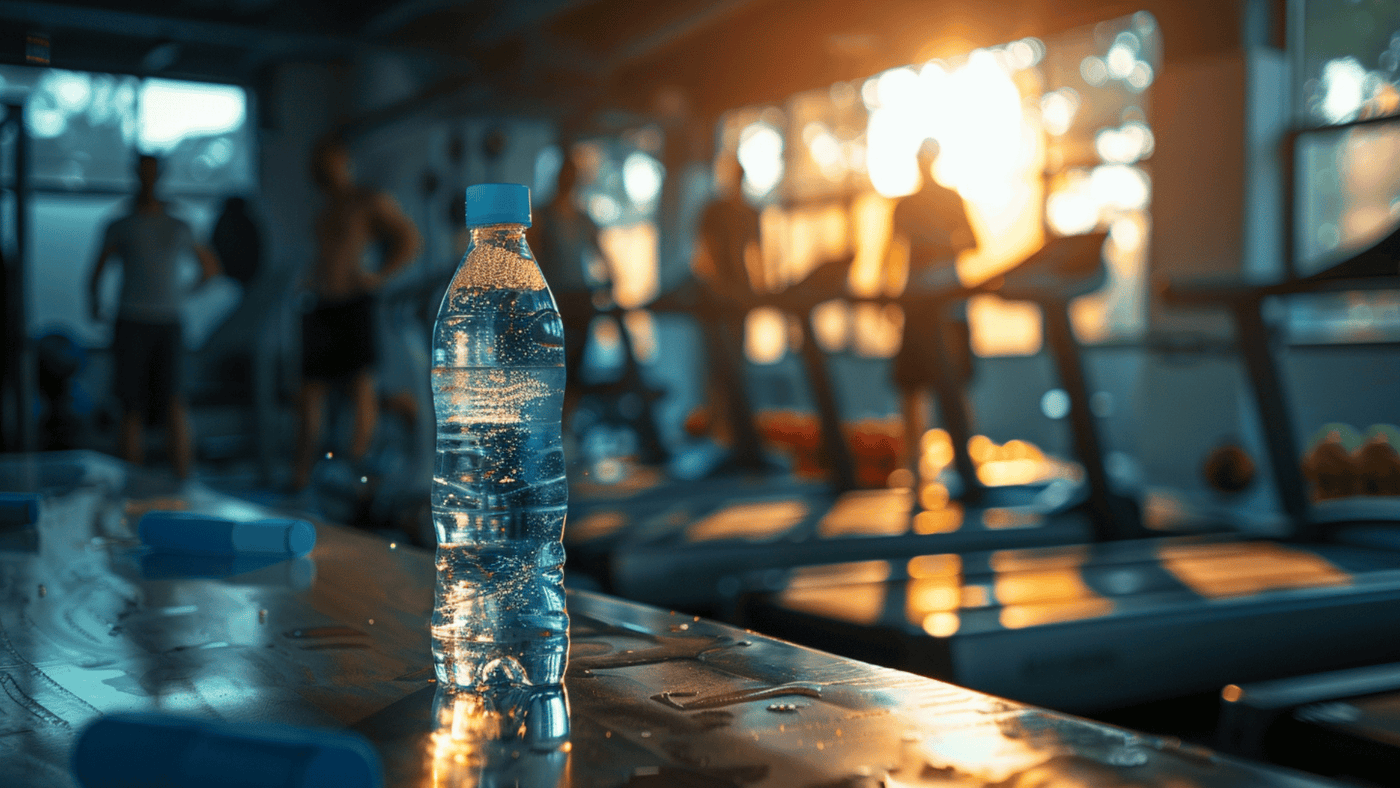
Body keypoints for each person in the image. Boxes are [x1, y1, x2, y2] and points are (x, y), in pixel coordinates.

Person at [292, 136, 421, 490]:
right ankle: (301, 474)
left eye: (330, 162)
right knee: (310, 391)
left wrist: (379, 275)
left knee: (360, 385)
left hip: (354, 302)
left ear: (343, 161)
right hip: (320, 304)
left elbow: (410, 239)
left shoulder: (367, 201)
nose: (325, 171)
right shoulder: (323, 211)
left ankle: (355, 467)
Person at [88, 154, 222, 478]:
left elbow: (211, 268)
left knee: (175, 402)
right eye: (142, 172)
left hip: (168, 323)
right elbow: (96, 272)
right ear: (135, 174)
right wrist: (93, 304)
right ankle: (131, 485)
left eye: (152, 172)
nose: (147, 178)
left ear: (160, 174)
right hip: (131, 321)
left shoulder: (178, 224)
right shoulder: (120, 224)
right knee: (130, 406)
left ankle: (185, 485)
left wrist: (183, 292)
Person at [889, 139, 978, 479]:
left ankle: (963, 462)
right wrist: (889, 299)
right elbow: (891, 251)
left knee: (956, 381)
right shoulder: (904, 205)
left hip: (948, 303)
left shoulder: (951, 199)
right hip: (914, 303)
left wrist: (936, 240)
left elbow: (973, 241)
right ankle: (912, 463)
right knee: (911, 385)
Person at [528, 153, 609, 423]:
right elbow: (533, 257)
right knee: (552, 364)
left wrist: (610, 280)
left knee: (575, 369)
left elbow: (601, 252)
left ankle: (567, 426)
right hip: (554, 301)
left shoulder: (582, 217)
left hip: (579, 299)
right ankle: (552, 422)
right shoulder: (543, 215)